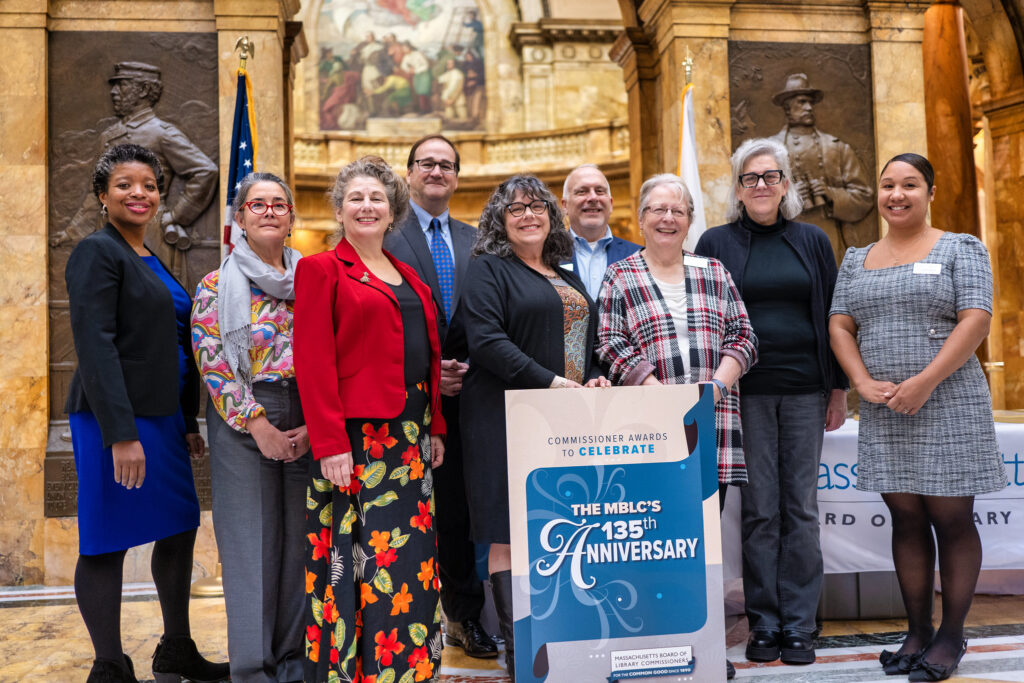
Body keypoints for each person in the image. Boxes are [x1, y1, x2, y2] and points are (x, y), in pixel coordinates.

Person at [829, 153, 1007, 681]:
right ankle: (917, 631)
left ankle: (952, 636)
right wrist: (860, 383)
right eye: (887, 186)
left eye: (909, 185)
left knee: (951, 520)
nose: (896, 195)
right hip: (886, 409)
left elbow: (976, 318)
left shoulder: (960, 248)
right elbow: (840, 324)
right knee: (906, 518)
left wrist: (926, 382)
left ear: (929, 192)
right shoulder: (856, 258)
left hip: (948, 403)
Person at [64, 143, 228, 683]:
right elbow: (96, 347)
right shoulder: (96, 252)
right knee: (107, 537)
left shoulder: (150, 257)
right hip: (117, 422)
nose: (140, 193)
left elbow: (175, 344)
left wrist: (186, 423)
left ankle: (176, 648)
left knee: (179, 528)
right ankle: (109, 665)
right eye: (124, 185)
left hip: (162, 422)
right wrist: (121, 434)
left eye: (150, 185)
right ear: (102, 195)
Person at [596, 173, 757, 680]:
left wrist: (716, 385)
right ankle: (655, 646)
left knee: (705, 545)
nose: (668, 218)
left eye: (678, 210)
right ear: (640, 218)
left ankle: (707, 649)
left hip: (713, 428)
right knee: (656, 541)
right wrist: (659, 397)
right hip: (650, 432)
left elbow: (744, 335)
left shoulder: (714, 271)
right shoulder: (620, 275)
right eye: (658, 210)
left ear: (690, 220)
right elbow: (610, 344)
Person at [694, 138, 848, 667]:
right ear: (737, 189)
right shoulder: (715, 243)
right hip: (743, 394)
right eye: (750, 178)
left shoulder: (812, 241)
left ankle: (801, 625)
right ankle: (764, 621)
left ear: (786, 184)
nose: (761, 185)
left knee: (801, 509)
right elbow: (705, 320)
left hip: (806, 391)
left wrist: (837, 388)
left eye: (770, 176)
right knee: (759, 511)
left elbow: (832, 317)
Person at [293, 156, 446, 683]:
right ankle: (356, 670)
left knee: (408, 562)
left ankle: (408, 665)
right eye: (355, 198)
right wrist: (330, 443)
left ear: (392, 211)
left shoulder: (410, 278)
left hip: (409, 441)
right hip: (356, 443)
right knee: (356, 561)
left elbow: (426, 357)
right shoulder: (320, 270)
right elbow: (313, 363)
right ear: (338, 210)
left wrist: (436, 428)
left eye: (376, 198)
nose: (366, 206)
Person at [458, 175, 611, 681]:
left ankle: (561, 636)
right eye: (515, 209)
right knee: (507, 531)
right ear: (499, 221)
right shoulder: (488, 270)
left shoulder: (563, 272)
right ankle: (520, 650)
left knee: (555, 527)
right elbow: (486, 342)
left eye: (537, 207)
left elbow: (577, 341)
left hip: (562, 421)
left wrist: (590, 377)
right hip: (502, 417)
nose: (528, 216)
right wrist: (550, 383)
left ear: (552, 215)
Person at [383, 135, 498, 659]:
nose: (436, 171)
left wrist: (465, 368)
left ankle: (464, 616)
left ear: (457, 176)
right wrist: (430, 374)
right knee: (400, 515)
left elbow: (489, 318)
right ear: (408, 173)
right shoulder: (383, 234)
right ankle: (401, 621)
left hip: (469, 397)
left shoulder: (479, 242)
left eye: (446, 165)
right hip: (401, 398)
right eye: (426, 163)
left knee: (458, 512)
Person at [191, 172, 308, 682]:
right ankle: (253, 668)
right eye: (256, 204)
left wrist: (315, 424)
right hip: (244, 414)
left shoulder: (316, 278)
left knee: (302, 541)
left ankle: (292, 659)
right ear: (239, 218)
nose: (268, 212)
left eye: (278, 204)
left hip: (308, 411)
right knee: (250, 542)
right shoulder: (216, 286)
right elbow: (212, 361)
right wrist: (256, 423)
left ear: (290, 218)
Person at [52, 62, 218, 282]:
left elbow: (205, 170)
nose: (113, 92)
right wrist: (72, 232)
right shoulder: (109, 135)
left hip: (149, 232)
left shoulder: (162, 133)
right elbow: (97, 192)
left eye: (122, 86)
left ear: (144, 90)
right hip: (109, 230)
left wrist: (176, 216)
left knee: (152, 297)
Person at [768, 73, 873, 263]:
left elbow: (864, 196)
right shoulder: (768, 149)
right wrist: (786, 197)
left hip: (827, 239)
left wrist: (831, 195)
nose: (809, 107)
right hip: (781, 239)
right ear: (787, 108)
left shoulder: (837, 147)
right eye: (801, 102)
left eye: (810, 103)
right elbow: (748, 198)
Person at [560, 164, 641, 299]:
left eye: (599, 191)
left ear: (611, 204)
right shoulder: (545, 256)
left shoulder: (638, 256)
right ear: (565, 205)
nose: (593, 198)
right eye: (582, 191)